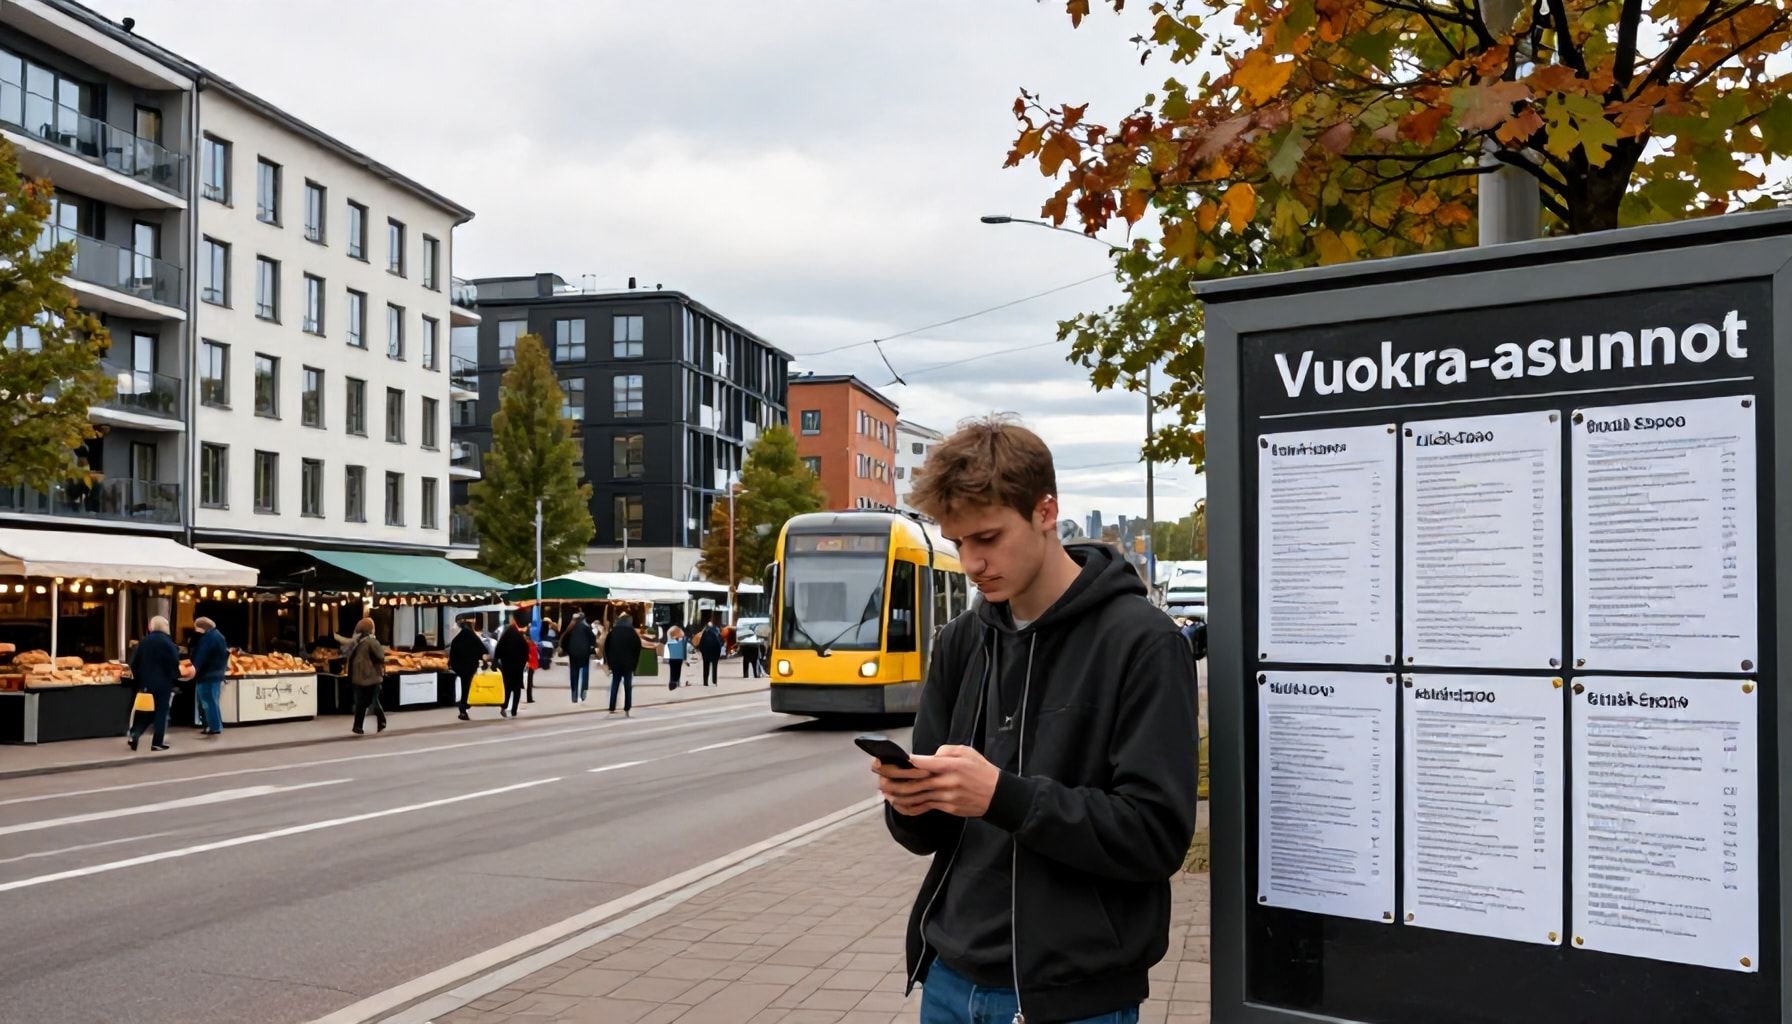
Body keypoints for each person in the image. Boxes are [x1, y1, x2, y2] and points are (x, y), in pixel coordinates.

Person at [872, 417, 1199, 1024]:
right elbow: (929, 838)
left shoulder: (1143, 643)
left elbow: (1155, 836)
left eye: (988, 538)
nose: (972, 563)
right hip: (948, 978)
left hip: (1071, 995)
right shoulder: (961, 642)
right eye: (958, 543)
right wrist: (910, 803)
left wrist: (1004, 796)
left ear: (1046, 511)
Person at [127, 616, 188, 752]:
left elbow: (134, 663)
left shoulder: (144, 642)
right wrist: (176, 679)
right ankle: (157, 742)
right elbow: (174, 664)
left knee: (144, 711)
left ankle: (134, 735)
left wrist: (139, 679)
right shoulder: (169, 644)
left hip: (146, 683)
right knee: (161, 712)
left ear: (151, 627)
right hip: (163, 684)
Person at [343, 618, 388, 735]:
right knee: (372, 701)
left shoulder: (360, 644)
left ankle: (359, 726)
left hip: (361, 679)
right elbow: (380, 657)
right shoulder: (371, 642)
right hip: (371, 678)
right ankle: (381, 722)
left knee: (362, 704)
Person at [190, 616, 229, 737]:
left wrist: (193, 668)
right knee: (213, 701)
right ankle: (214, 725)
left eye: (196, 627)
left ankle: (213, 726)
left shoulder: (207, 639)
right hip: (217, 674)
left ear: (202, 627)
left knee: (207, 701)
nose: (196, 630)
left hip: (207, 675)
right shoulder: (219, 636)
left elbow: (201, 655)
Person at [603, 612, 642, 716]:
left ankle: (612, 706)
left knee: (615, 683)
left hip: (615, 663)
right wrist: (635, 664)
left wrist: (608, 662)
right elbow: (637, 649)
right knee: (628, 686)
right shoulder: (632, 633)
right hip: (628, 664)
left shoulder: (613, 632)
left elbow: (606, 647)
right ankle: (627, 707)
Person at [450, 618, 487, 721]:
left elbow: (452, 654)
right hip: (470, 667)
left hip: (460, 667)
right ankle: (464, 706)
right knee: (466, 686)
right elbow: (483, 650)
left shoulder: (457, 639)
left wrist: (454, 666)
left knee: (464, 685)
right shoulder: (474, 637)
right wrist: (483, 661)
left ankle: (464, 705)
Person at [494, 612, 530, 718]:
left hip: (507, 664)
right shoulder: (520, 636)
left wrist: (496, 659)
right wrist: (524, 662)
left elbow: (499, 647)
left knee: (508, 687)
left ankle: (504, 706)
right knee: (516, 688)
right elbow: (525, 650)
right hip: (518, 665)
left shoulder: (507, 633)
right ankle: (514, 710)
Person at [561, 610, 597, 703]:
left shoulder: (570, 628)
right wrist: (591, 647)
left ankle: (574, 693)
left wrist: (566, 650)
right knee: (585, 671)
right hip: (584, 653)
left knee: (574, 673)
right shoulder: (586, 627)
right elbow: (593, 639)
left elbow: (564, 639)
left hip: (573, 653)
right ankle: (584, 689)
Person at [696, 615, 722, 687]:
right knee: (714, 667)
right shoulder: (716, 633)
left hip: (706, 653)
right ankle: (714, 681)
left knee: (706, 667)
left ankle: (705, 682)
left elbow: (701, 644)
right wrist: (719, 653)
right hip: (715, 653)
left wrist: (702, 652)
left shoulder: (704, 633)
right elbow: (719, 644)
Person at [663, 624, 688, 690]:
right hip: (679, 658)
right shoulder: (682, 640)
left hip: (672, 658)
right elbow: (685, 649)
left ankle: (672, 681)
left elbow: (667, 649)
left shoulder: (670, 641)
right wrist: (685, 658)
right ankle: (676, 682)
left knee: (672, 670)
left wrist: (666, 658)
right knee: (678, 670)